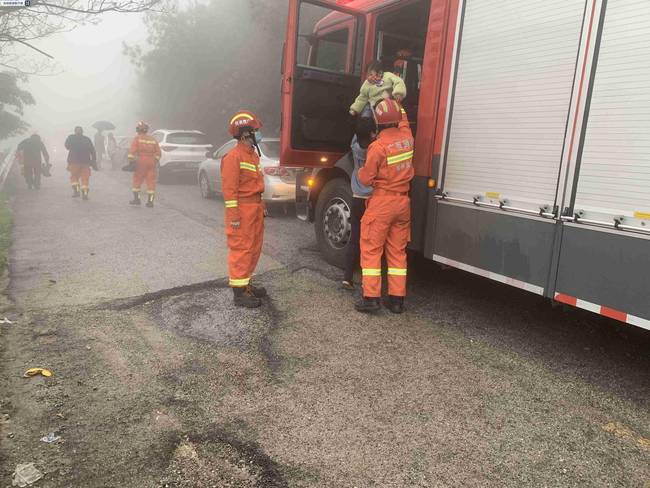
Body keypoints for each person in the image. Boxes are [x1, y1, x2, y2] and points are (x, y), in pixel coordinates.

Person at [356, 99, 414, 314]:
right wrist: (397, 102)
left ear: (378, 123)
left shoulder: (378, 147)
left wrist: (360, 170)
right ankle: (397, 300)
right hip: (403, 202)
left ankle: (371, 299)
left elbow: (365, 179)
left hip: (382, 203)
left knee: (371, 250)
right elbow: (404, 118)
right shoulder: (408, 138)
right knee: (397, 252)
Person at [222, 111, 267, 308]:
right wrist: (234, 217)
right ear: (245, 134)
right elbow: (229, 191)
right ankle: (239, 293)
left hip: (254, 207)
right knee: (241, 248)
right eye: (255, 130)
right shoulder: (233, 157)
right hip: (242, 210)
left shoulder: (252, 156)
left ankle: (246, 283)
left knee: (254, 248)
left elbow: (256, 184)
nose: (258, 133)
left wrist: (261, 205)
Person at [342, 117, 377, 290]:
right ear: (373, 133)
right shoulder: (376, 149)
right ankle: (367, 281)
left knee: (354, 240)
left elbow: (358, 131)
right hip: (371, 200)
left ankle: (347, 278)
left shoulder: (355, 147)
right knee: (370, 243)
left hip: (356, 198)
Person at [127, 121, 161, 208]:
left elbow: (131, 152)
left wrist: (131, 162)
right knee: (151, 182)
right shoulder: (153, 139)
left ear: (138, 130)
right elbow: (158, 153)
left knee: (137, 181)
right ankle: (150, 202)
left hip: (140, 162)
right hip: (151, 162)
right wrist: (155, 161)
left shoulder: (137, 138)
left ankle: (137, 199)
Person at [65, 126, 96, 200]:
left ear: (75, 131)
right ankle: (85, 194)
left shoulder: (71, 137)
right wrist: (93, 162)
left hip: (74, 162)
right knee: (85, 178)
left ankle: (77, 191)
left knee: (74, 177)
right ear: (82, 131)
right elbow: (93, 151)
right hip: (85, 162)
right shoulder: (87, 139)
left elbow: (67, 146)